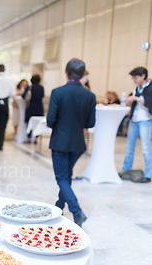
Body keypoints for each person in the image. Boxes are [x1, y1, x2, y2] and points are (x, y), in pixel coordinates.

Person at [47, 58, 96, 226]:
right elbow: (90, 123)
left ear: (66, 73)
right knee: (66, 175)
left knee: (61, 178)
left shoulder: (57, 92)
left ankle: (77, 211)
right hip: (77, 144)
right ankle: (59, 206)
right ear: (82, 74)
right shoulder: (89, 95)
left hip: (60, 142)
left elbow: (50, 120)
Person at [120, 67, 152, 183]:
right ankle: (125, 170)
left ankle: (148, 174)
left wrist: (137, 99)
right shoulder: (136, 89)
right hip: (134, 119)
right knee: (129, 148)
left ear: (143, 76)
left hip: (145, 120)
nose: (134, 80)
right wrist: (130, 101)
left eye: (136, 77)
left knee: (146, 148)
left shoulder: (150, 87)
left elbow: (149, 103)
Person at [25, 74, 45, 143]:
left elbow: (24, 96)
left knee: (29, 121)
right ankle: (36, 138)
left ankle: (29, 137)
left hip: (31, 106)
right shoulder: (41, 88)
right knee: (38, 122)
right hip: (39, 106)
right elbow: (42, 96)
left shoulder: (30, 87)